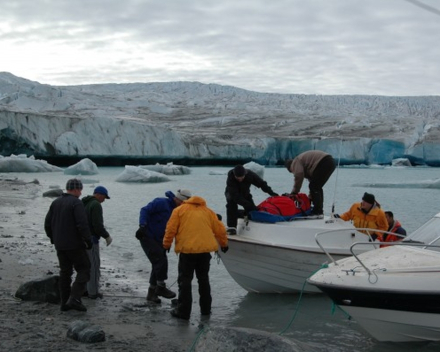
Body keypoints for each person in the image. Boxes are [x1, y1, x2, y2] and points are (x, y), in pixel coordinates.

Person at [163, 195, 228, 320]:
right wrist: (224, 244)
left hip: (187, 251)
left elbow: (170, 229)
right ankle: (206, 310)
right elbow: (220, 229)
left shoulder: (179, 210)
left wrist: (166, 244)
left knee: (185, 280)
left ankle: (183, 312)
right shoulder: (208, 211)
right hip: (205, 251)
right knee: (203, 280)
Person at [136, 189, 192, 303]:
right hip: (147, 235)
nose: (183, 205)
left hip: (160, 240)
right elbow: (144, 210)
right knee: (160, 261)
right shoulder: (161, 202)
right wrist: (142, 225)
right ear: (178, 199)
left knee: (157, 263)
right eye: (182, 202)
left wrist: (168, 242)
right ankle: (160, 287)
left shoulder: (179, 210)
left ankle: (151, 294)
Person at [44, 178, 92, 312]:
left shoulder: (56, 202)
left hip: (60, 244)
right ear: (76, 189)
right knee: (84, 269)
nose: (81, 193)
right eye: (80, 189)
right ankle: (75, 298)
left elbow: (47, 224)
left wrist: (53, 239)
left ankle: (64, 303)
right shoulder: (76, 203)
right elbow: (82, 224)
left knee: (65, 273)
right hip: (75, 244)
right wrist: (88, 240)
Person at [225, 164, 278, 234]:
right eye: (238, 178)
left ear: (245, 174)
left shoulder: (250, 175)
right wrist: (247, 204)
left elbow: (262, 184)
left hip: (245, 193)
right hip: (232, 194)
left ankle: (240, 214)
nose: (240, 179)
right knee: (231, 204)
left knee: (252, 210)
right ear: (234, 175)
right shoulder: (231, 177)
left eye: (242, 177)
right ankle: (232, 227)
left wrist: (272, 193)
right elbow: (235, 196)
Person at [82, 186, 113, 299]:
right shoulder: (96, 205)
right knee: (94, 266)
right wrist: (106, 236)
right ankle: (93, 292)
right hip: (92, 240)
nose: (104, 200)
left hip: (82, 239)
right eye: (104, 197)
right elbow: (97, 225)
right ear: (99, 194)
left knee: (85, 265)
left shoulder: (84, 202)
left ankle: (84, 289)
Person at [284, 150, 336, 216]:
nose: (294, 172)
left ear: (290, 168)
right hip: (330, 162)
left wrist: (294, 192)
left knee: (315, 186)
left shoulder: (295, 162)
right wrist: (310, 197)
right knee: (316, 186)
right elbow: (312, 181)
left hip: (323, 162)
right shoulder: (305, 164)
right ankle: (319, 210)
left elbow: (299, 175)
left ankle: (317, 210)